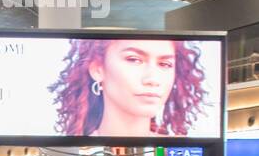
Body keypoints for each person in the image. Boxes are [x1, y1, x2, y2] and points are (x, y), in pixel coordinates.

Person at [48, 38, 209, 137]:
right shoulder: (82, 148)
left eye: (165, 64)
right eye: (134, 60)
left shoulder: (179, 147)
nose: (152, 79)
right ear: (98, 69)